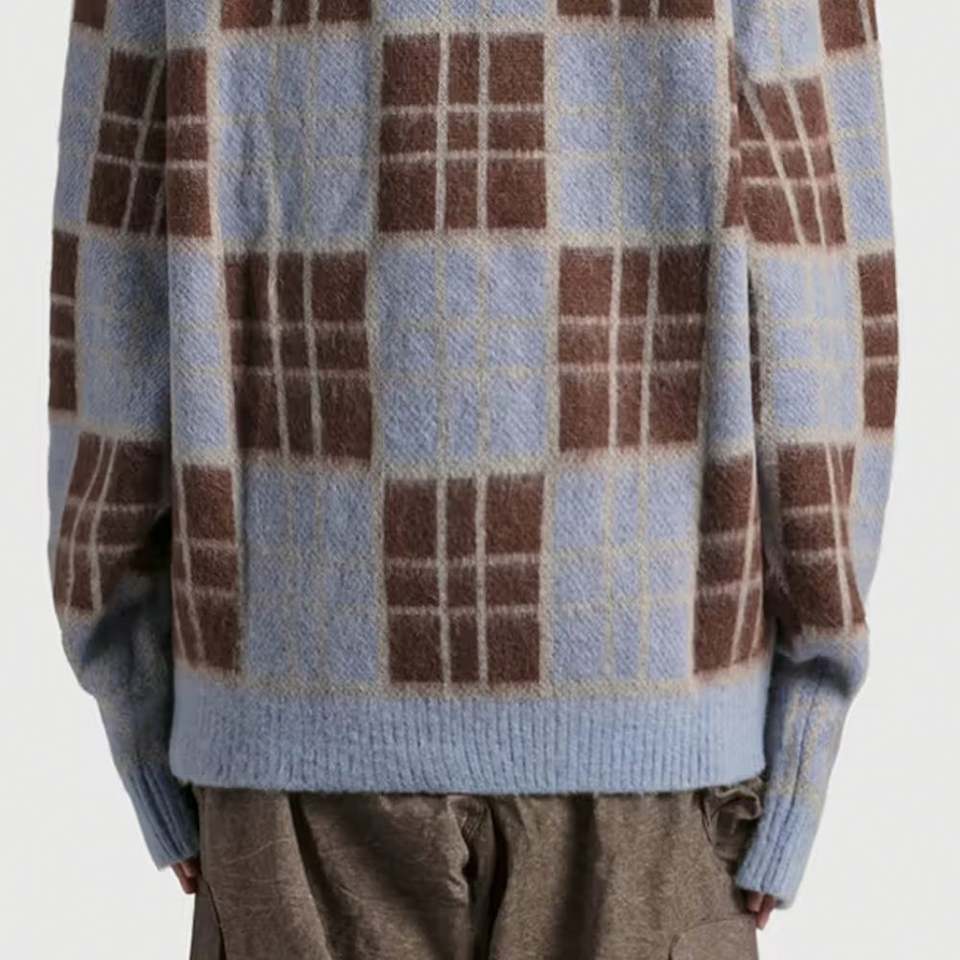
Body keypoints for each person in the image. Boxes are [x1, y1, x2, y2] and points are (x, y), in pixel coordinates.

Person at [46, 0, 897, 956]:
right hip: (648, 712)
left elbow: (113, 272)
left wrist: (138, 697)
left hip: (287, 700)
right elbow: (822, 277)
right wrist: (805, 731)